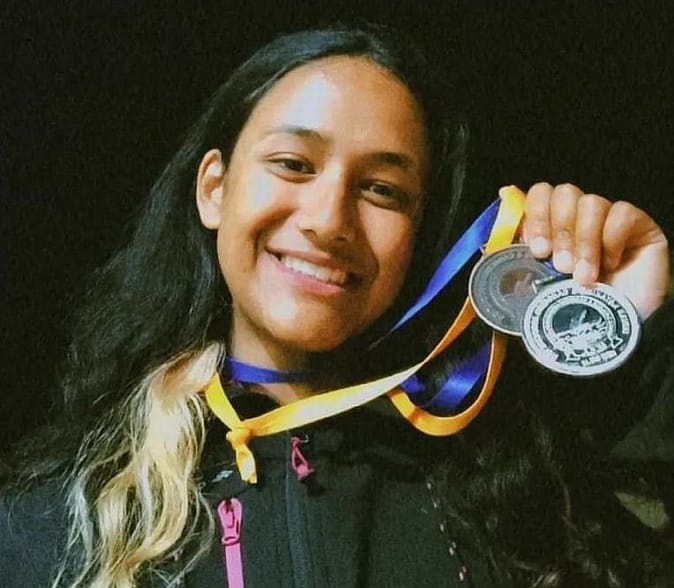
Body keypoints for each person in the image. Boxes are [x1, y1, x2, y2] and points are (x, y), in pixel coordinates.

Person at [1, 24, 672, 588]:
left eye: (382, 190)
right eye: (293, 164)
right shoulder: (54, 526)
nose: (328, 221)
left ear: (417, 237)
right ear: (214, 190)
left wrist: (641, 334)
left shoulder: (512, 495)